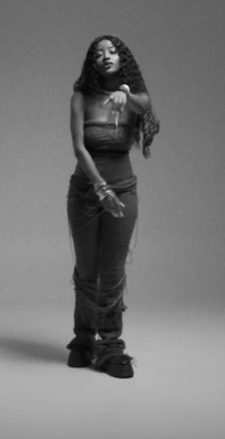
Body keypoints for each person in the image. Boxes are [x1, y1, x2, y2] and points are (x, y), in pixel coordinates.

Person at [66, 35, 159, 378]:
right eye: (98, 53)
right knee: (87, 269)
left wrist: (126, 93)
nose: (106, 56)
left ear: (123, 59)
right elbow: (79, 148)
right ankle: (82, 340)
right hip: (86, 192)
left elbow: (145, 108)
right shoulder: (81, 97)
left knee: (113, 270)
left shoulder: (134, 97)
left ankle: (110, 345)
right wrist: (100, 187)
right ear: (91, 63)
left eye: (112, 51)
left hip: (124, 190)